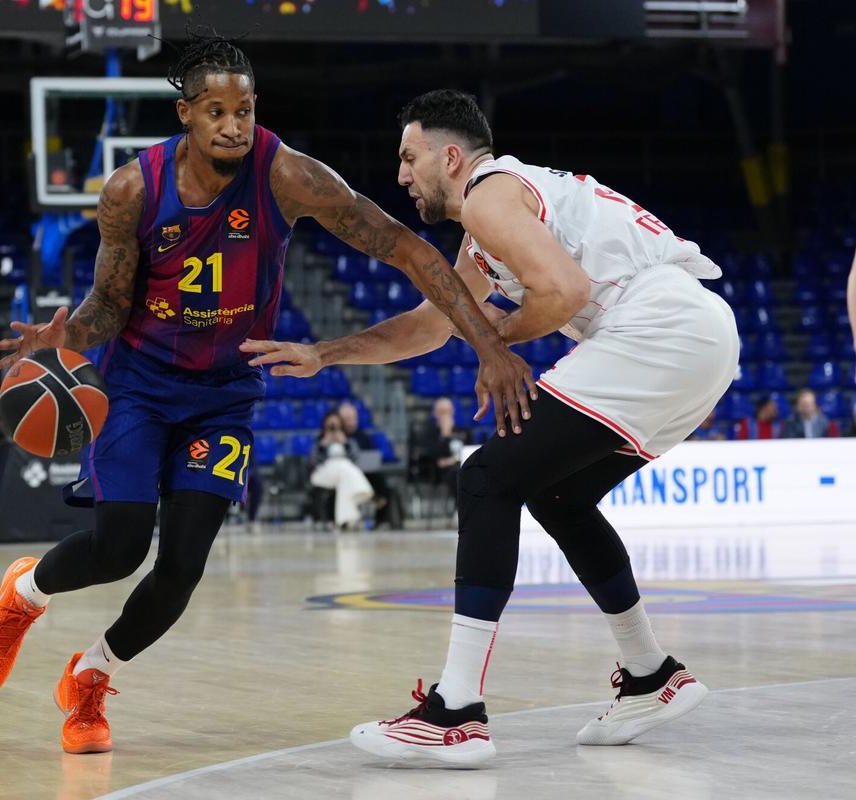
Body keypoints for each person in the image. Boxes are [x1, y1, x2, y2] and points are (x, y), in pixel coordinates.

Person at [0, 34, 533, 757]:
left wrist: (488, 343)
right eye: (216, 111)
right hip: (140, 385)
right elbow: (108, 307)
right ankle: (23, 597)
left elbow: (409, 250)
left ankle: (90, 675)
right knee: (120, 548)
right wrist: (68, 333)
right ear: (186, 114)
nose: (234, 124)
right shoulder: (131, 190)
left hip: (225, 391)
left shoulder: (287, 176)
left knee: (182, 567)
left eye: (245, 108)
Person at [244, 89, 739, 766]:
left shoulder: (489, 191)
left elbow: (561, 291)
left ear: (451, 156)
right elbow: (428, 325)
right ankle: (650, 672)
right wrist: (323, 353)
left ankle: (457, 710)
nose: (401, 175)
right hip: (698, 338)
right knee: (555, 493)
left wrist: (493, 344)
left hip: (656, 326)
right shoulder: (491, 230)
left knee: (485, 477)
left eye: (409, 157)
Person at [337, 400, 404, 528]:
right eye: (347, 419)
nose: (350, 422)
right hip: (345, 477)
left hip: (365, 473)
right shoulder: (336, 435)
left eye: (352, 418)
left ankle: (380, 520)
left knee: (383, 486)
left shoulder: (362, 435)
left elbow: (368, 455)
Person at [309, 410, 374, 529]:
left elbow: (356, 458)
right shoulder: (319, 441)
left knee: (344, 474)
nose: (334, 429)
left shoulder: (348, 440)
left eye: (336, 426)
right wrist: (323, 445)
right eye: (330, 426)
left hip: (343, 475)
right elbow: (313, 461)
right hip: (324, 474)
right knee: (344, 466)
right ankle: (362, 491)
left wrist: (345, 443)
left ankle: (345, 519)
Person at [421, 396, 467, 509]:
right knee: (457, 474)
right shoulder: (430, 433)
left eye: (448, 411)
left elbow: (470, 450)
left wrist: (453, 460)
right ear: (435, 414)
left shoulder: (462, 431)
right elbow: (433, 455)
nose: (446, 415)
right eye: (442, 412)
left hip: (462, 465)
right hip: (439, 472)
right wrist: (445, 435)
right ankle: (460, 509)